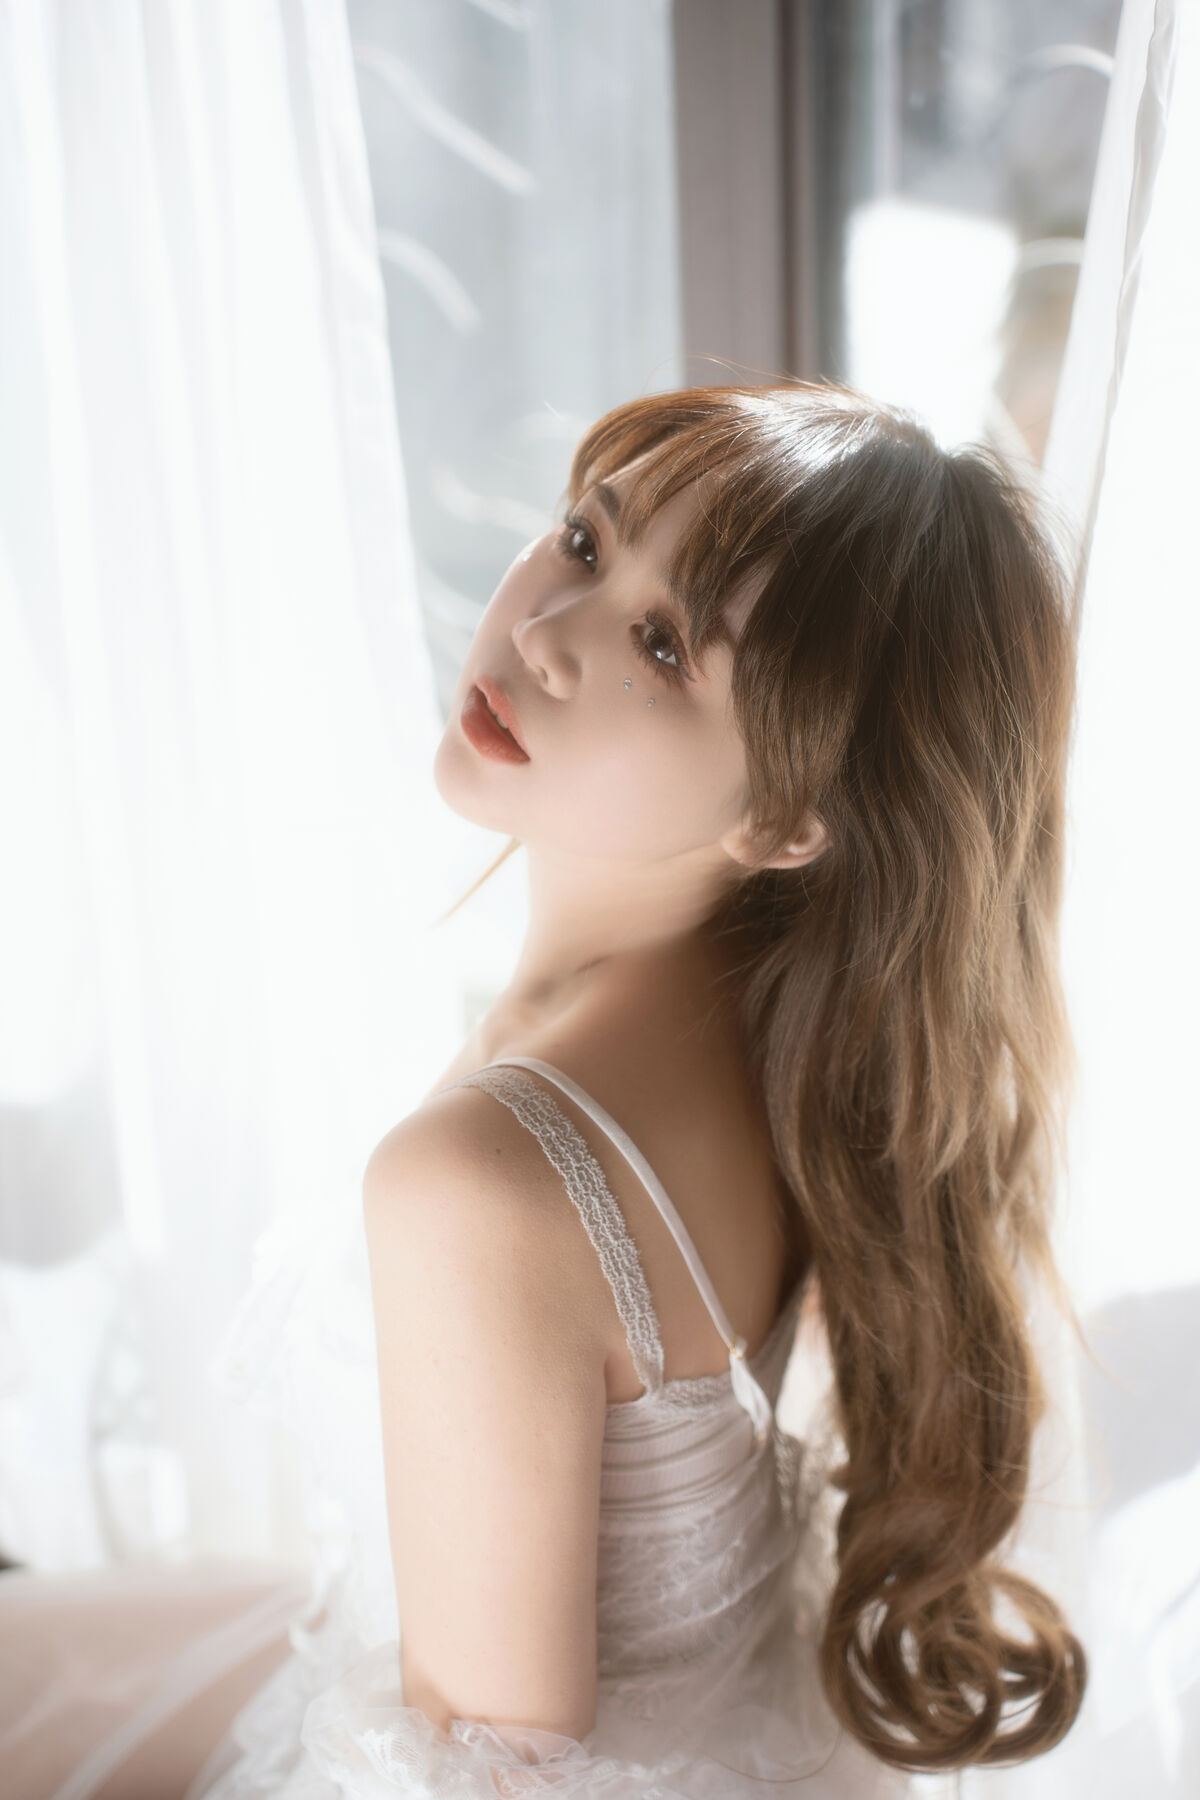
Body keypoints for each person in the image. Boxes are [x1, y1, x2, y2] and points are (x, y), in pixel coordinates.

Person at [0, 378, 1087, 1797]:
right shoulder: (784, 1037)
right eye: (586, 539)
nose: (544, 632)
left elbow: (479, 1780)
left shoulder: (486, 1183)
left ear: (785, 817)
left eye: (663, 644)